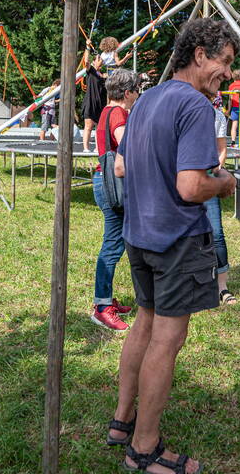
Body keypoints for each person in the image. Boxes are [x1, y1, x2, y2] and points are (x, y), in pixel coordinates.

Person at [106, 17, 237, 474]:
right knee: (167, 338)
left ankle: (122, 421)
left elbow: (122, 167)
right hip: (178, 239)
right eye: (224, 63)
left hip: (139, 237)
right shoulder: (197, 107)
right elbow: (190, 186)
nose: (228, 74)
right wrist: (223, 185)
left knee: (144, 324)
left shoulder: (144, 101)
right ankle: (144, 449)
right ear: (200, 55)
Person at [90, 69, 141, 331]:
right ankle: (101, 307)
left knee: (114, 244)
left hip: (104, 181)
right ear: (128, 92)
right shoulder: (119, 113)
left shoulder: (105, 111)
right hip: (114, 184)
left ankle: (105, 298)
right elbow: (126, 146)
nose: (137, 96)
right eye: (136, 91)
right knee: (112, 247)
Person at [208, 93, 235, 304]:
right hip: (182, 178)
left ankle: (222, 287)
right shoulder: (181, 111)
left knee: (216, 232)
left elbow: (221, 149)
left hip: (207, 177)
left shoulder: (217, 116)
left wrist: (216, 173)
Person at [81, 47, 107, 153]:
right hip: (90, 102)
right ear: (94, 62)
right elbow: (86, 61)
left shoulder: (104, 76)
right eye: (98, 58)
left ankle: (98, 148)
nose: (100, 59)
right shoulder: (91, 71)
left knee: (99, 128)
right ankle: (86, 148)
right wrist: (87, 48)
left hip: (100, 104)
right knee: (88, 126)